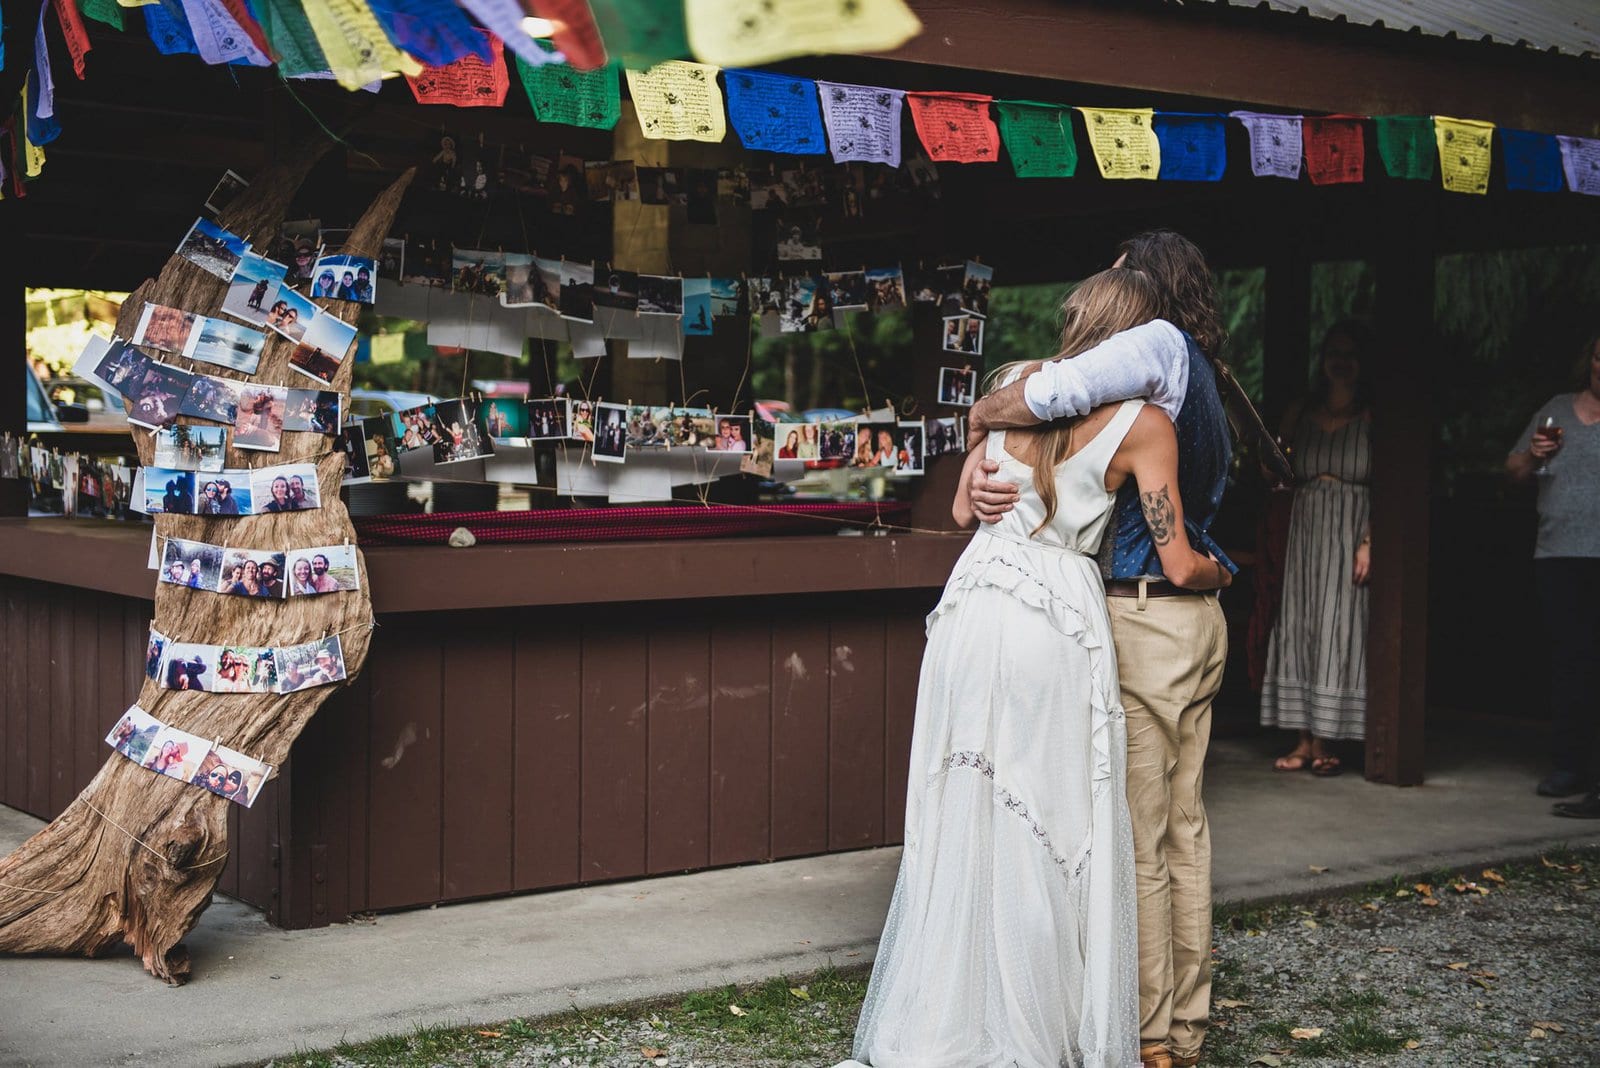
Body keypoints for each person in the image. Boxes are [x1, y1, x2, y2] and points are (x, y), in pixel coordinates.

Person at [840, 269, 1230, 1068]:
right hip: (1056, 610)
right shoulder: (1147, 422)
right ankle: (1035, 1017)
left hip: (975, 601)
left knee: (965, 801)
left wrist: (991, 488)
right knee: (1053, 815)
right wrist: (1227, 573)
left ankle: (948, 1009)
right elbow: (1176, 556)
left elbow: (959, 512)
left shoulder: (1011, 384)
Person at [963, 230, 1235, 1068]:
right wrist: (1225, 573)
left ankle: (1147, 1034)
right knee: (1186, 830)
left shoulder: (1149, 349)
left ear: (1137, 282)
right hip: (1194, 623)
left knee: (1138, 841)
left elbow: (1056, 391)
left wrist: (980, 412)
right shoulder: (1201, 378)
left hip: (1143, 613)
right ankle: (1185, 1027)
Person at [1260, 322, 1374, 776]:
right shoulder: (1300, 411)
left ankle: (1328, 737)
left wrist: (1372, 540)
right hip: (1306, 525)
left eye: (1350, 353)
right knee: (1301, 622)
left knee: (1338, 626)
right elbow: (1275, 472)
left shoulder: (1373, 417)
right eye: (1334, 352)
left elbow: (1394, 486)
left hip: (1352, 526)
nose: (1341, 360)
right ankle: (1303, 739)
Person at [1507, 329, 1600, 816]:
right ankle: (1569, 767)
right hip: (1558, 553)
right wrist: (1534, 455)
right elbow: (1514, 470)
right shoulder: (1557, 410)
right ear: (1591, 359)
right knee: (1570, 663)